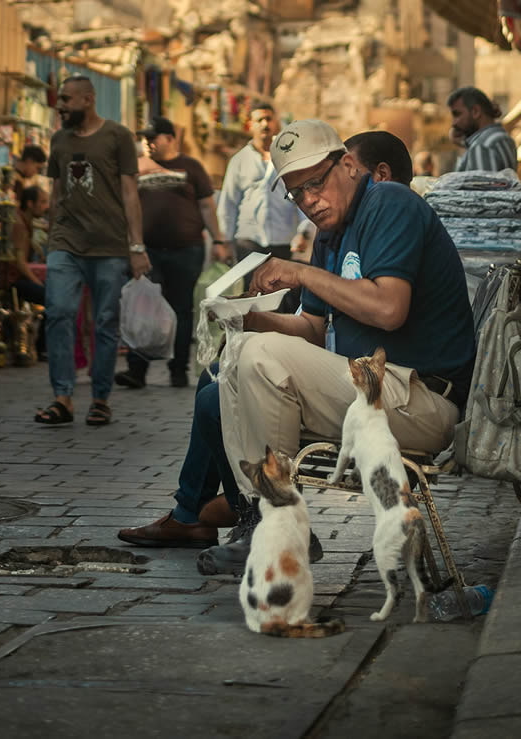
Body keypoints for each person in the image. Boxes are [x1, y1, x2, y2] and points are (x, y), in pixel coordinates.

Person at [117, 128, 419, 551]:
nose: (309, 199)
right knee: (222, 373)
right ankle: (222, 512)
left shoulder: (389, 199)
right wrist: (249, 317)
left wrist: (301, 273)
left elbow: (389, 309)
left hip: (410, 392)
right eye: (298, 192)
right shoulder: (331, 233)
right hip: (365, 381)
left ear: (350, 167)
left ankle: (258, 515)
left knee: (238, 373)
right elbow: (313, 329)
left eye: (316, 182)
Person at [34, 75, 150, 428]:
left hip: (110, 246)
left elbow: (130, 193)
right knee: (57, 313)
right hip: (66, 243)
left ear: (88, 99)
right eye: (59, 100)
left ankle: (100, 399)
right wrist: (52, 236)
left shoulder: (117, 136)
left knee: (104, 323)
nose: (61, 105)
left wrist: (136, 246)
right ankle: (62, 398)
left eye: (66, 99)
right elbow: (56, 192)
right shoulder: (59, 140)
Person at [115, 116, 231, 390]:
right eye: (144, 138)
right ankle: (137, 370)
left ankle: (178, 370)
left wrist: (218, 240)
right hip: (147, 251)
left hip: (185, 250)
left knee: (180, 310)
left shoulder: (191, 167)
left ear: (170, 139)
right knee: (144, 307)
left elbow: (206, 207)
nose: (147, 143)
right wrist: (132, 246)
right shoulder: (137, 167)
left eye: (152, 138)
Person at [216, 101, 313, 287]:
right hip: (248, 240)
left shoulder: (288, 157)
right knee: (253, 290)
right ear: (250, 125)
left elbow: (302, 195)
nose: (264, 124)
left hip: (282, 238)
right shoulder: (239, 160)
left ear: (276, 122)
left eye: (268, 119)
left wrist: (304, 231)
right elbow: (228, 203)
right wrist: (225, 242)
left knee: (280, 291)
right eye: (259, 120)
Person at [447, 85, 517, 173]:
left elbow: (484, 186)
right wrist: (465, 143)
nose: (454, 123)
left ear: (475, 111)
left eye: (457, 114)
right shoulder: (503, 137)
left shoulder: (481, 146)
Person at [11, 185, 49, 306]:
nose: (46, 207)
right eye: (42, 202)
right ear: (30, 204)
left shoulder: (24, 221)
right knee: (52, 298)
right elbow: (20, 264)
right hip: (14, 280)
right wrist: (38, 283)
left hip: (19, 277)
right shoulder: (20, 226)